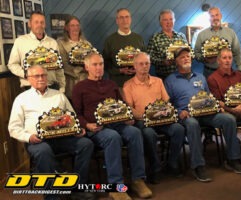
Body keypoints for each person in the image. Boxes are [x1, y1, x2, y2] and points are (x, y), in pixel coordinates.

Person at [72, 52, 152, 200]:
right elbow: (76, 113)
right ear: (87, 67)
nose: (98, 68)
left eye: (101, 64)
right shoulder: (79, 87)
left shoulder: (111, 84)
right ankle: (116, 187)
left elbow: (123, 106)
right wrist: (87, 125)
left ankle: (138, 180)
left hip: (117, 123)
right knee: (112, 137)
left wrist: (128, 117)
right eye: (95, 65)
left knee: (134, 132)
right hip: (96, 128)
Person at [8, 65, 94, 200]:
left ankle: (78, 188)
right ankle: (52, 195)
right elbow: (13, 128)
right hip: (37, 141)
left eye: (43, 75)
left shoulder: (59, 95)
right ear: (28, 79)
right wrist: (28, 137)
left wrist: (77, 129)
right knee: (43, 151)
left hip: (62, 138)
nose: (41, 78)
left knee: (85, 143)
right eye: (37, 76)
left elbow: (72, 117)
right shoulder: (21, 99)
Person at [164, 47, 241, 179]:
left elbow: (209, 96)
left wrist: (216, 106)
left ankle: (233, 159)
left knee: (229, 119)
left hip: (206, 113)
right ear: (176, 62)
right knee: (192, 124)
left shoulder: (201, 77)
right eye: (182, 57)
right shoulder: (170, 80)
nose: (186, 58)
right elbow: (167, 104)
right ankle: (198, 166)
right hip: (187, 115)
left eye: (187, 56)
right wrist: (179, 112)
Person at [123, 52, 185, 184]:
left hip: (162, 118)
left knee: (178, 129)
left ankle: (172, 163)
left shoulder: (158, 81)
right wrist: (146, 116)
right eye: (141, 64)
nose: (144, 66)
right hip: (142, 121)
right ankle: (155, 168)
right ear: (134, 66)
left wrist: (165, 112)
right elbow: (130, 109)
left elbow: (167, 102)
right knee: (149, 133)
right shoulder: (128, 85)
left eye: (147, 63)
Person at [8, 11, 65, 92]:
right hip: (30, 89)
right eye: (36, 22)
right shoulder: (20, 41)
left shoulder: (53, 42)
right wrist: (25, 73)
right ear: (29, 24)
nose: (39, 25)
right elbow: (12, 64)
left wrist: (62, 87)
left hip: (52, 87)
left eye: (42, 22)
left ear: (45, 24)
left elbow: (59, 68)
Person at [102, 8, 146, 88]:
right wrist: (119, 71)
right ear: (117, 21)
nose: (124, 20)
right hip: (118, 84)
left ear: (130, 19)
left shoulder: (139, 39)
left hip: (138, 83)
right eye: (121, 17)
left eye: (127, 17)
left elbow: (146, 60)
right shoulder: (110, 40)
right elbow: (105, 63)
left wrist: (139, 69)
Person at [194, 7, 241, 78]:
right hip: (209, 72)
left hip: (227, 70)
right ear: (209, 18)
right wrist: (204, 59)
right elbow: (196, 53)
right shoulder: (201, 34)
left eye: (217, 15)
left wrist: (240, 68)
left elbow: (237, 51)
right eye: (212, 16)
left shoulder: (230, 32)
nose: (215, 18)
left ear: (221, 16)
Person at [57, 15, 93, 98]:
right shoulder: (60, 43)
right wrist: (81, 70)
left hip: (87, 82)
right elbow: (63, 64)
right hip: (70, 84)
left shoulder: (87, 44)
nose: (75, 28)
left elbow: (93, 61)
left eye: (77, 25)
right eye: (72, 25)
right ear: (66, 28)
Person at [147, 9, 188, 80]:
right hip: (164, 77)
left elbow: (188, 53)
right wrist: (163, 62)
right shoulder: (155, 38)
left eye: (171, 19)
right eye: (165, 20)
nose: (168, 22)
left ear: (174, 21)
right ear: (160, 22)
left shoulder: (182, 36)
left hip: (182, 75)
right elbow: (149, 58)